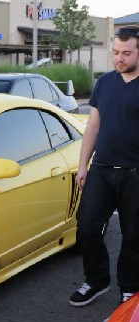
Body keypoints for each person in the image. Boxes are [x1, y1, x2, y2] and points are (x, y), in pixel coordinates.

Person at [69, 25, 139, 307]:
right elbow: (93, 125)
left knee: (133, 234)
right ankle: (97, 280)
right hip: (101, 169)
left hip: (135, 172)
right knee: (86, 226)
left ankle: (130, 286)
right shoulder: (105, 82)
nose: (119, 59)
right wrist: (84, 164)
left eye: (126, 53)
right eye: (115, 53)